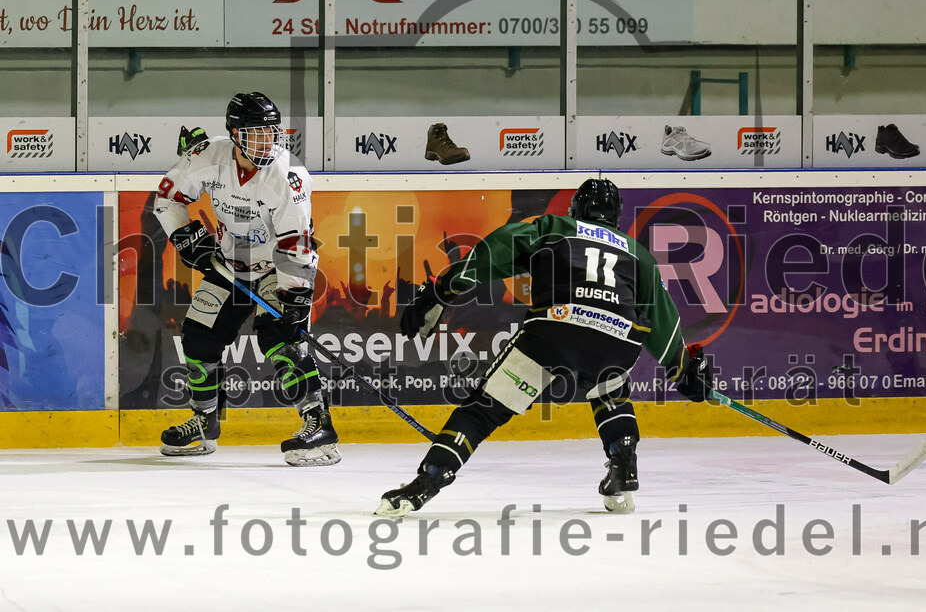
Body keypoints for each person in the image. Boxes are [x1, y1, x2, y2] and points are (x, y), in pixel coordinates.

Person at [376, 178, 713, 516]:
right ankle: (623, 462)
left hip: (556, 329)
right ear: (616, 217)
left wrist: (445, 288)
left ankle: (430, 479)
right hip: (617, 338)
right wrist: (682, 367)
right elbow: (663, 319)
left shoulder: (556, 227)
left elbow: (498, 248)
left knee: (482, 411)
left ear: (577, 209)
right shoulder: (638, 255)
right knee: (611, 386)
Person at [153, 91, 339, 467]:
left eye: (271, 131)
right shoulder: (208, 157)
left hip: (278, 266)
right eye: (256, 133)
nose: (266, 140)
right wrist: (188, 238)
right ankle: (205, 422)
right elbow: (167, 198)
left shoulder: (289, 176)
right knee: (198, 338)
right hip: (229, 265)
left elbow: (295, 241)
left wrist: (295, 297)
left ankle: (320, 425)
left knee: (282, 340)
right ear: (235, 134)